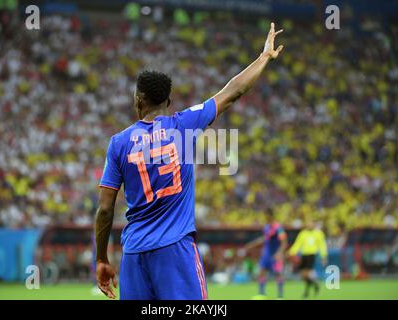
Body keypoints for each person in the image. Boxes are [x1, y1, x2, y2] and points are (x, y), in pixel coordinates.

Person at [94, 23, 284, 300]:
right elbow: (233, 91)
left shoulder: (118, 143)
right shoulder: (184, 125)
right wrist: (264, 57)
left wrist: (101, 258)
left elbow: (104, 210)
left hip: (134, 255)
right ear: (169, 101)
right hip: (175, 250)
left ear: (137, 100)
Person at [244, 209, 287, 299]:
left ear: (270, 215)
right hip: (266, 253)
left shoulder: (278, 228)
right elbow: (265, 238)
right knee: (261, 272)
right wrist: (252, 244)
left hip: (275, 253)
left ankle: (280, 296)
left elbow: (284, 242)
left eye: (265, 215)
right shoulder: (266, 227)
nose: (264, 217)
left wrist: (279, 252)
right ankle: (261, 294)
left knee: (278, 273)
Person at [288, 220, 328, 298]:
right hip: (304, 255)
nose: (309, 225)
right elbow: (297, 243)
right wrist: (291, 252)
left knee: (307, 273)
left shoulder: (318, 233)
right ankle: (316, 285)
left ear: (314, 225)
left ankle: (307, 291)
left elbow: (322, 245)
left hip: (312, 255)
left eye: (311, 224)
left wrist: (323, 256)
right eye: (308, 224)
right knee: (303, 275)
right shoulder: (303, 233)